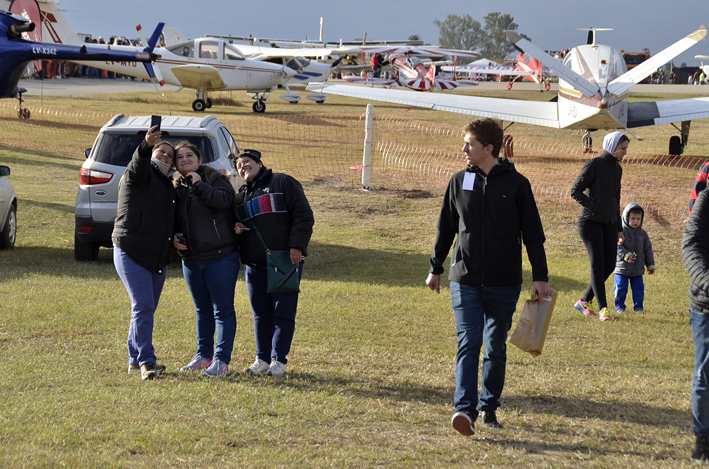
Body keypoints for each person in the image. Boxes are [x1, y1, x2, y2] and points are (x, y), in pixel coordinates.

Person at [425, 118, 549, 436]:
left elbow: (533, 235)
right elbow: (446, 227)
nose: (463, 148)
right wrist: (435, 267)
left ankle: (489, 406)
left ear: (488, 149)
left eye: (470, 144)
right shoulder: (458, 182)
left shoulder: (518, 185)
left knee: (495, 347)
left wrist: (540, 277)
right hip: (464, 280)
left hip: (505, 283)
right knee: (469, 343)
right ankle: (464, 410)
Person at [233, 150, 314, 378]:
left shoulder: (282, 182)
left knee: (283, 312)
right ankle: (262, 359)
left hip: (285, 260)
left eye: (247, 162)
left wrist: (296, 246)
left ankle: (279, 360)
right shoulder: (240, 195)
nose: (243, 167)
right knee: (260, 313)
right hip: (254, 264)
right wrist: (237, 229)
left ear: (260, 163)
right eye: (239, 165)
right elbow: (237, 226)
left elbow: (303, 215)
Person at [172, 142, 240, 378]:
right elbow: (173, 219)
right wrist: (173, 237)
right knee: (202, 310)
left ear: (200, 161)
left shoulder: (214, 179)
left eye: (189, 155)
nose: (184, 159)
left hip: (220, 257)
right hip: (191, 259)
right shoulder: (176, 186)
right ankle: (204, 356)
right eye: (179, 157)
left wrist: (199, 184)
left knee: (222, 310)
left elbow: (223, 202)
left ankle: (222, 361)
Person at [112, 127, 175, 380]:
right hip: (130, 247)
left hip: (156, 254)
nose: (167, 157)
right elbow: (138, 163)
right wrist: (147, 146)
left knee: (144, 309)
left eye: (171, 155)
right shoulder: (139, 172)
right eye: (163, 152)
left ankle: (133, 360)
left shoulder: (168, 184)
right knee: (143, 306)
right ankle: (147, 362)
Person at [570, 131, 628, 322]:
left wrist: (619, 227)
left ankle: (584, 300)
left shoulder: (617, 169)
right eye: (623, 148)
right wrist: (594, 207)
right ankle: (604, 309)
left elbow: (616, 200)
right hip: (590, 223)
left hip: (610, 223)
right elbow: (575, 191)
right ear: (612, 147)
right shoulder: (594, 164)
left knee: (610, 265)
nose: (625, 153)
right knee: (598, 265)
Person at [682, 189, 709, 462]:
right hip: (707, 304)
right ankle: (704, 436)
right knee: (705, 375)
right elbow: (691, 246)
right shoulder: (706, 201)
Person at [613, 203, 656, 313]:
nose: (635, 221)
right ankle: (620, 307)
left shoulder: (643, 234)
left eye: (638, 219)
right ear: (626, 217)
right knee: (621, 287)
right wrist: (626, 255)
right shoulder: (621, 231)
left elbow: (648, 250)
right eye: (632, 218)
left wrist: (650, 265)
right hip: (622, 268)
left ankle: (638, 307)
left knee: (639, 289)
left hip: (637, 269)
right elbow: (617, 247)